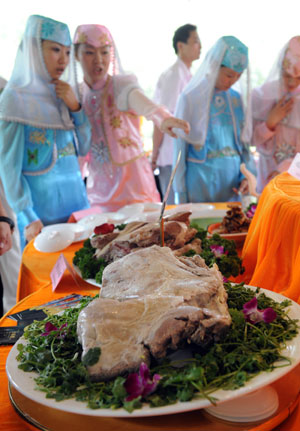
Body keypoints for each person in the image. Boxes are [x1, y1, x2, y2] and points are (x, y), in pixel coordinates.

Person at [73, 24, 189, 212]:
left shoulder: (120, 86)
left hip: (132, 182)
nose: (98, 61)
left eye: (104, 52)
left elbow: (143, 103)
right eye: (89, 53)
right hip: (99, 186)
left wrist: (163, 118)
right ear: (76, 55)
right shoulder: (76, 94)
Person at [0, 15, 91, 250]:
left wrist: (76, 108)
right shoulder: (14, 99)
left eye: (68, 52)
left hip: (77, 208)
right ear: (34, 50)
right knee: (47, 282)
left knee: (82, 279)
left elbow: (85, 147)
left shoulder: (64, 93)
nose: (63, 60)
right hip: (41, 217)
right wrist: (27, 215)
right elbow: (9, 168)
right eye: (55, 50)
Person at [172, 35, 254, 204]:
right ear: (215, 65)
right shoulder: (190, 97)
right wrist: (179, 190)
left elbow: (243, 145)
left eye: (238, 76)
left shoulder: (236, 99)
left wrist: (246, 176)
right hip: (200, 181)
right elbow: (180, 146)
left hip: (231, 182)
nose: (233, 81)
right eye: (229, 75)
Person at [152, 24, 201, 204]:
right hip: (170, 154)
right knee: (172, 211)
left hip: (182, 153)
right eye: (195, 41)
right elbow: (163, 118)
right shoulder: (174, 75)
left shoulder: (189, 74)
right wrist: (154, 155)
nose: (200, 46)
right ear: (180, 46)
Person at [252, 36, 300, 193]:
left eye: (299, 78)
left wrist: (283, 170)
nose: (292, 83)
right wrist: (269, 123)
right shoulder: (262, 95)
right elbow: (250, 140)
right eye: (287, 76)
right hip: (265, 178)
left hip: (294, 181)